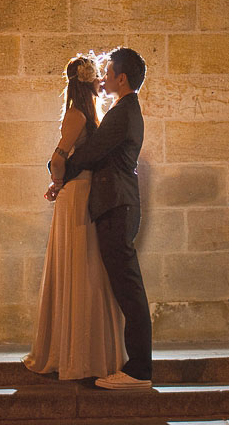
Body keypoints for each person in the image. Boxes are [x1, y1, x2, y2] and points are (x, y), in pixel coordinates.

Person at [24, 55, 127, 380]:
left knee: (87, 269)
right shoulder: (76, 114)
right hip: (76, 196)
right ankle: (78, 355)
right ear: (86, 83)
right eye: (97, 77)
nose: (101, 82)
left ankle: (86, 353)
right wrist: (57, 182)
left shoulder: (85, 113)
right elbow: (58, 156)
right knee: (80, 268)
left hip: (84, 194)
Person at [57, 47, 152, 390]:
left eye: (108, 71)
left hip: (116, 205)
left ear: (121, 78)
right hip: (116, 204)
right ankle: (136, 366)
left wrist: (58, 170)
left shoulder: (123, 112)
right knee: (126, 286)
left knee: (129, 288)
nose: (103, 76)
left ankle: (139, 370)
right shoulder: (122, 110)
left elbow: (90, 154)